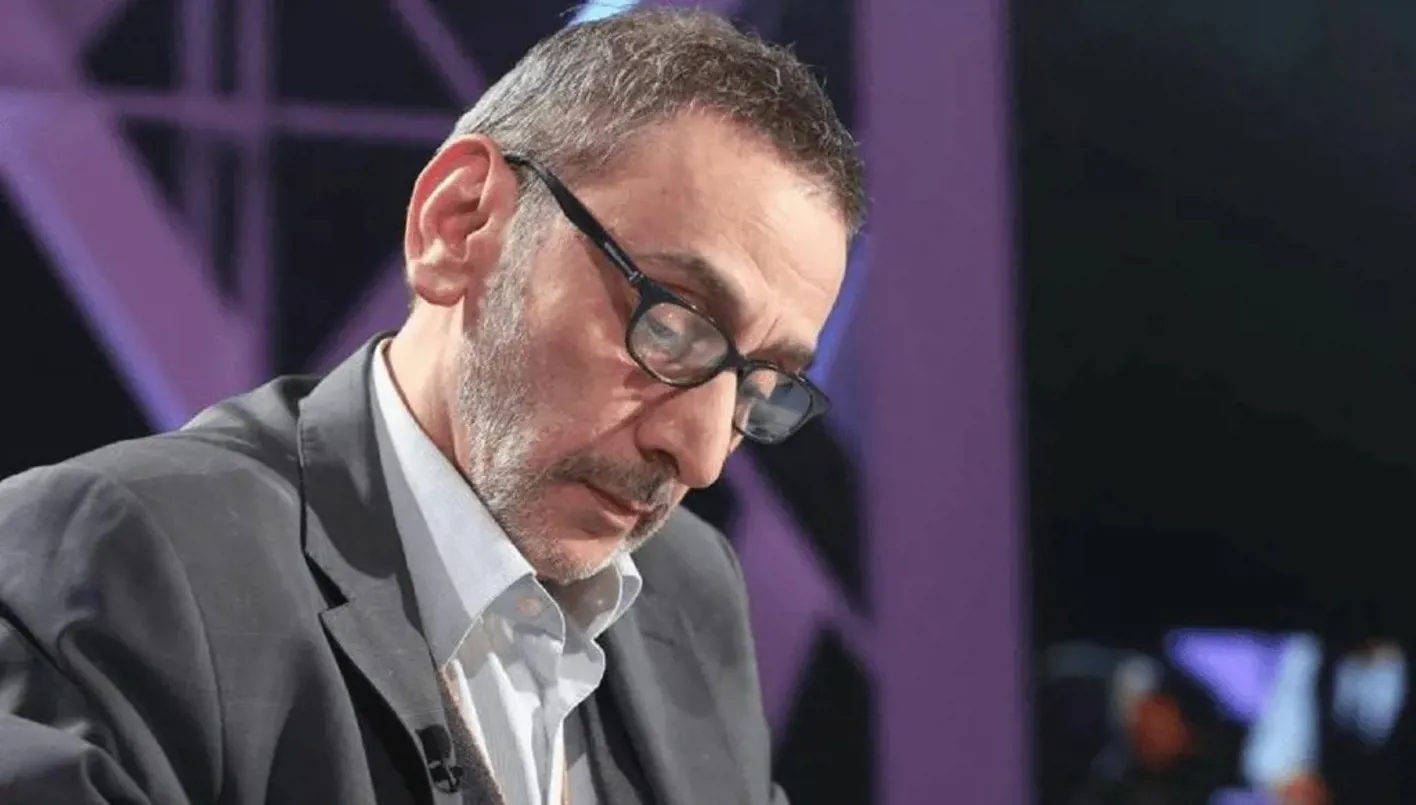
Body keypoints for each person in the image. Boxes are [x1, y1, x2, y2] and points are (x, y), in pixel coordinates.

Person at [0, 9, 863, 804]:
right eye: (672, 326)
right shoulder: (121, 560)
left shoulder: (691, 591)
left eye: (761, 383)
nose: (702, 455)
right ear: (460, 225)